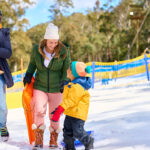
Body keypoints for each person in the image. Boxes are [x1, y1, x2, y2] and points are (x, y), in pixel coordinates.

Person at [23, 23, 70, 149]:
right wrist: (28, 74)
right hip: (40, 86)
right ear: (45, 40)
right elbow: (32, 64)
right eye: (50, 42)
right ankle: (38, 140)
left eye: (55, 42)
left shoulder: (64, 50)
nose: (53, 45)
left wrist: (64, 81)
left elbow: (66, 68)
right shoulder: (36, 50)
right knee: (39, 111)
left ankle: (53, 140)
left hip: (56, 88)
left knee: (54, 115)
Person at [52, 61, 94, 150]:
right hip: (70, 113)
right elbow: (69, 92)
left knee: (78, 132)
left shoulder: (78, 86)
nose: (66, 71)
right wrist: (64, 86)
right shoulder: (73, 84)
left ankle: (88, 140)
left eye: (68, 69)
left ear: (73, 73)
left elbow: (71, 100)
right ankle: (69, 147)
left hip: (78, 115)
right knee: (67, 132)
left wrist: (60, 109)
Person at [0, 10, 14, 142]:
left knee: (2, 105)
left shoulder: (3, 33)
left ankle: (2, 126)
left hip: (0, 74)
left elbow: (8, 53)